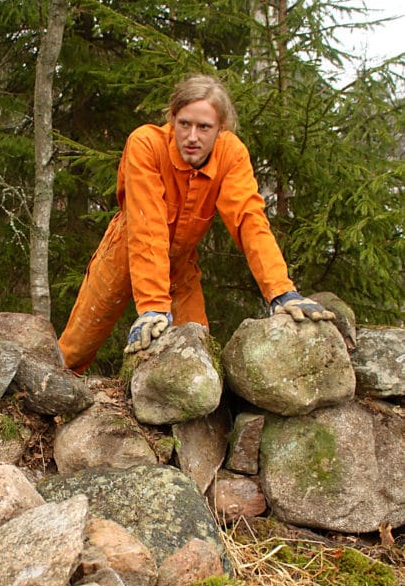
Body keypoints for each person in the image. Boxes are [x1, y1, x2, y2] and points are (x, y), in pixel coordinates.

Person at [58, 74, 333, 374]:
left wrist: (281, 291)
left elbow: (249, 220)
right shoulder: (146, 145)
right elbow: (146, 226)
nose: (192, 137)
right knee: (75, 349)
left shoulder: (231, 154)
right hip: (125, 253)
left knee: (198, 356)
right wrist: (152, 306)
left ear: (221, 129)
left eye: (204, 127)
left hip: (182, 265)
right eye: (185, 124)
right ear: (172, 118)